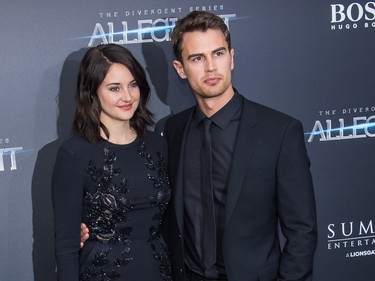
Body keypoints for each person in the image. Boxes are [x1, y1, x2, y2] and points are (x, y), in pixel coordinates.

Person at [82, 11, 317, 281]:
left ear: (231, 58)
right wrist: (93, 227)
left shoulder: (279, 131)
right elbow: (151, 203)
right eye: (197, 58)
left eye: (218, 54)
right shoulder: (170, 131)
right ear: (180, 69)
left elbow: (302, 231)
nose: (210, 67)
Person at [52, 43, 172, 281]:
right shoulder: (74, 154)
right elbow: (66, 247)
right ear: (92, 92)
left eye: (133, 84)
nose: (127, 97)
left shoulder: (157, 144)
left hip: (157, 270)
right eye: (114, 88)